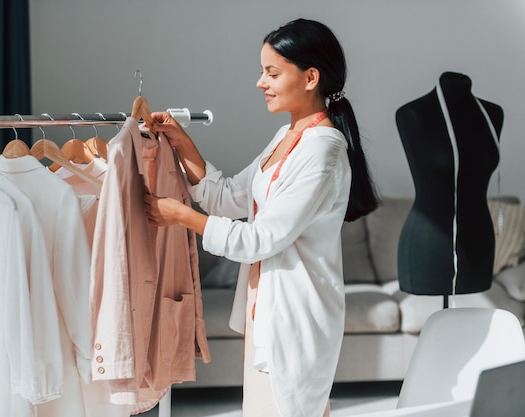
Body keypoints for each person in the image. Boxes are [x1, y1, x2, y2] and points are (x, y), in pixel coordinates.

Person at [144, 18, 379, 417]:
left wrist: (181, 216)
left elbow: (261, 239)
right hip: (268, 313)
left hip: (296, 318)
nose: (260, 82)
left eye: (272, 72)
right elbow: (230, 197)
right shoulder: (287, 138)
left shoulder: (322, 151)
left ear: (310, 77)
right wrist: (184, 145)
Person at [396, 72, 502, 296]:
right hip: (429, 241)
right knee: (440, 324)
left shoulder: (493, 114)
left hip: (478, 240)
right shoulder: (413, 114)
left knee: (461, 322)